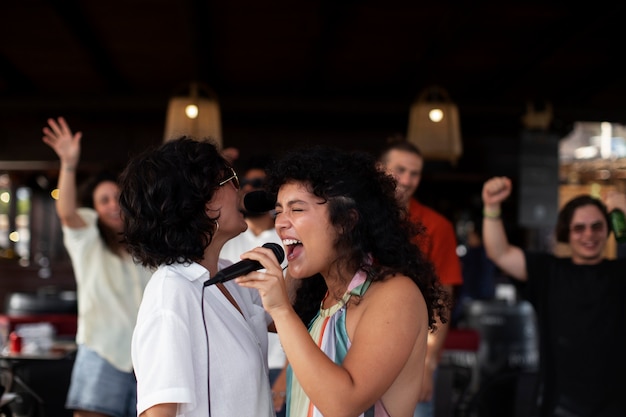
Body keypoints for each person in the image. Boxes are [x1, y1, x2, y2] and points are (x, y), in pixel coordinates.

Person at [234, 146, 449, 417]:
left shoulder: (395, 295)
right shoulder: (320, 293)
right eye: (278, 211)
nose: (280, 224)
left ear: (346, 221)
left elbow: (344, 404)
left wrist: (281, 309)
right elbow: (255, 319)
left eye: (297, 209)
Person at [118, 137, 275, 417]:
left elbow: (299, 317)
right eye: (230, 180)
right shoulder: (172, 293)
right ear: (200, 200)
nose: (239, 190)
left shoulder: (231, 276)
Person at [481, 176, 626, 417]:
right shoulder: (548, 270)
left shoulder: (621, 273)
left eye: (597, 226)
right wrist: (491, 207)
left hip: (617, 405)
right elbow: (499, 253)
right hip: (559, 404)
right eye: (579, 228)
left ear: (608, 229)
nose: (588, 235)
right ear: (566, 233)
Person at [41, 117, 152, 417]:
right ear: (94, 208)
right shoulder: (87, 236)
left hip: (147, 359)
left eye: (117, 197)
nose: (112, 205)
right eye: (103, 200)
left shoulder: (146, 246)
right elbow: (66, 213)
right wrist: (67, 163)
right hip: (102, 353)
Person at [377, 139, 463, 417]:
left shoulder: (437, 226)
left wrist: (429, 362)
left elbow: (443, 298)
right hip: (353, 347)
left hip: (412, 355)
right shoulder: (353, 217)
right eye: (399, 170)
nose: (407, 180)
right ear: (380, 169)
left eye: (415, 173)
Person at [220, 155, 288, 416]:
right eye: (244, 182)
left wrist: (286, 373)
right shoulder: (229, 233)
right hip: (242, 363)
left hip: (283, 359)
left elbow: (304, 309)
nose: (249, 187)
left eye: (257, 182)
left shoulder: (288, 236)